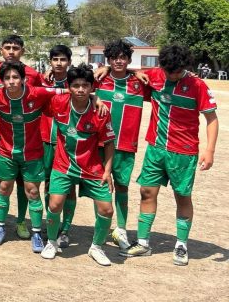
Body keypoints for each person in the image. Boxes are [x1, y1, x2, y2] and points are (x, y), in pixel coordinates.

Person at [125, 45, 219, 266]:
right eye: (168, 71)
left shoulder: (197, 85)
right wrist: (120, 70)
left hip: (183, 152)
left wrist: (210, 150)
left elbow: (212, 119)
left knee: (182, 196)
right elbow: (125, 74)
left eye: (176, 72)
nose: (172, 75)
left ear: (184, 67)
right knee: (146, 192)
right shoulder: (156, 75)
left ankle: (181, 244)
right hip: (155, 148)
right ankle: (143, 242)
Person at [42, 64, 116, 266]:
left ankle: (96, 247)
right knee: (54, 204)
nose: (81, 89)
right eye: (76, 85)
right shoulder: (58, 102)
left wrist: (107, 171)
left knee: (107, 210)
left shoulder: (101, 112)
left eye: (85, 86)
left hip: (92, 168)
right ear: (69, 87)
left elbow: (109, 143)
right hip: (63, 165)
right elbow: (35, 93)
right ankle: (51, 242)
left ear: (92, 87)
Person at [0, 61, 58, 252]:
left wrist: (94, 98)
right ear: (1, 81)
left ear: (23, 79)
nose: (11, 81)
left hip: (32, 153)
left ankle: (36, 233)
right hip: (6, 152)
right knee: (4, 188)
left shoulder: (37, 93)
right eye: (7, 78)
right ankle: (0, 228)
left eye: (15, 77)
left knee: (33, 192)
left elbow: (67, 92)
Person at [0, 35, 43, 239]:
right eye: (7, 47)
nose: (11, 51)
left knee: (23, 180)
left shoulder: (33, 74)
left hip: (23, 136)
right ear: (1, 50)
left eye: (15, 48)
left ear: (22, 51)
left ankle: (21, 221)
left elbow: (42, 97)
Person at [94, 39, 151, 252]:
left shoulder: (140, 82)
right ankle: (102, 227)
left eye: (123, 57)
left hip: (126, 145)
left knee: (122, 187)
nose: (118, 61)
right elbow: (77, 86)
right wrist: (105, 70)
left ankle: (121, 229)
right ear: (108, 60)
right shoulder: (99, 80)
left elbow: (167, 74)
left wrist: (135, 71)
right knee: (101, 186)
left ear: (128, 59)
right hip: (101, 144)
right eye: (114, 58)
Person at [40, 44, 75, 248]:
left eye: (63, 59)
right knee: (47, 184)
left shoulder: (77, 81)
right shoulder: (41, 81)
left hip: (68, 142)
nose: (59, 63)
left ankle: (66, 229)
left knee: (69, 187)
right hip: (45, 140)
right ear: (50, 62)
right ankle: (51, 224)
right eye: (55, 59)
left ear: (69, 62)